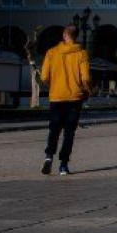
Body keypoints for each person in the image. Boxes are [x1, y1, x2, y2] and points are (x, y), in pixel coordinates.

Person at [39, 25, 92, 176]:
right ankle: (63, 165)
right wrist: (88, 89)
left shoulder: (51, 53)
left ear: (64, 35)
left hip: (56, 97)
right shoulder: (81, 54)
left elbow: (43, 78)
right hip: (74, 98)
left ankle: (49, 156)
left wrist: (54, 82)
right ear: (77, 36)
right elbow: (86, 78)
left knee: (54, 130)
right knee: (69, 132)